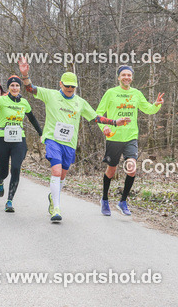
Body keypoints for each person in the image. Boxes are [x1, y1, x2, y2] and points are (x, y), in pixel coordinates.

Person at [18, 57, 129, 222]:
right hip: (52, 140)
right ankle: (57, 208)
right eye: (67, 86)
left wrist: (114, 122)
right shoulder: (51, 95)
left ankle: (53, 197)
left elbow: (95, 117)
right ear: (60, 84)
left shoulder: (80, 102)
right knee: (55, 172)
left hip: (69, 144)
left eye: (73, 87)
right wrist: (25, 75)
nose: (70, 89)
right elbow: (30, 89)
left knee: (62, 176)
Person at [96, 65, 164, 216]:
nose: (126, 77)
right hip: (113, 137)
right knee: (111, 170)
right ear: (119, 77)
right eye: (123, 75)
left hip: (131, 137)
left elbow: (148, 109)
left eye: (129, 75)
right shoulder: (110, 93)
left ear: (132, 78)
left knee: (132, 169)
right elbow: (99, 114)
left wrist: (156, 105)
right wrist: (104, 128)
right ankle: (105, 199)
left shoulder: (136, 94)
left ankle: (122, 201)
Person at [0, 76, 42, 212]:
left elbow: (32, 118)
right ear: (8, 87)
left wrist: (41, 133)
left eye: (17, 85)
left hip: (18, 139)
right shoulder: (2, 100)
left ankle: (9, 201)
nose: (15, 88)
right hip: (2, 138)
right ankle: (0, 179)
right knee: (4, 172)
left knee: (16, 168)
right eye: (12, 86)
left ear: (20, 88)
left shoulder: (24, 102)